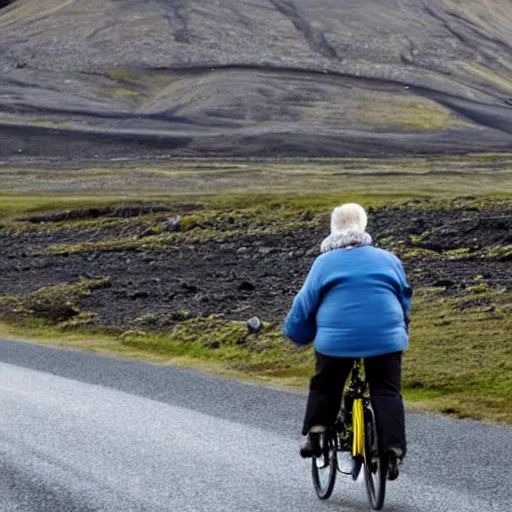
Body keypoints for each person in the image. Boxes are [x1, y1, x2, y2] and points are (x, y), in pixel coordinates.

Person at [283, 203, 412, 480]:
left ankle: (317, 430)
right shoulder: (388, 259)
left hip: (336, 340)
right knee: (387, 390)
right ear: (363, 227)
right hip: (386, 338)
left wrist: (297, 334)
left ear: (334, 229)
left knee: (326, 383)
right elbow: (404, 298)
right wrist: (402, 329)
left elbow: (304, 304)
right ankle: (393, 448)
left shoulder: (324, 263)